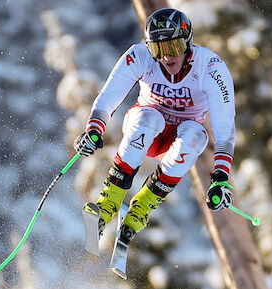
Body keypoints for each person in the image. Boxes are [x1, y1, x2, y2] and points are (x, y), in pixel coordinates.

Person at [74, 8, 236, 245]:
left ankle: (141, 210)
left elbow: (225, 130)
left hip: (180, 135)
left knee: (197, 136)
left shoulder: (210, 67)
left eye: (174, 48)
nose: (167, 57)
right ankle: (107, 204)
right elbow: (108, 98)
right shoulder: (139, 55)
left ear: (188, 43)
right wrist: (94, 129)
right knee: (150, 119)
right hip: (145, 127)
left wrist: (221, 177)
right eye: (158, 49)